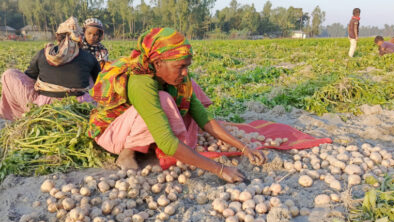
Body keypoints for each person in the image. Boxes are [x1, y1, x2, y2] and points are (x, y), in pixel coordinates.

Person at [88, 28, 265, 183]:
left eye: (187, 66)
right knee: (164, 99)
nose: (185, 72)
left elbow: (202, 117)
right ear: (158, 63)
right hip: (114, 133)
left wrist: (243, 147)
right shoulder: (140, 81)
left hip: (142, 123)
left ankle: (151, 148)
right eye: (180, 67)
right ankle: (129, 154)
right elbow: (166, 141)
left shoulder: (178, 79)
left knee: (189, 87)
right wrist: (219, 169)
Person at [0, 17, 100, 121]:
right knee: (90, 76)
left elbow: (29, 77)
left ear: (58, 37)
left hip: (44, 107)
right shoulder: (89, 57)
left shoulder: (44, 53)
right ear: (80, 38)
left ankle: (17, 115)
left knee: (9, 74)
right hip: (79, 106)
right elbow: (99, 80)